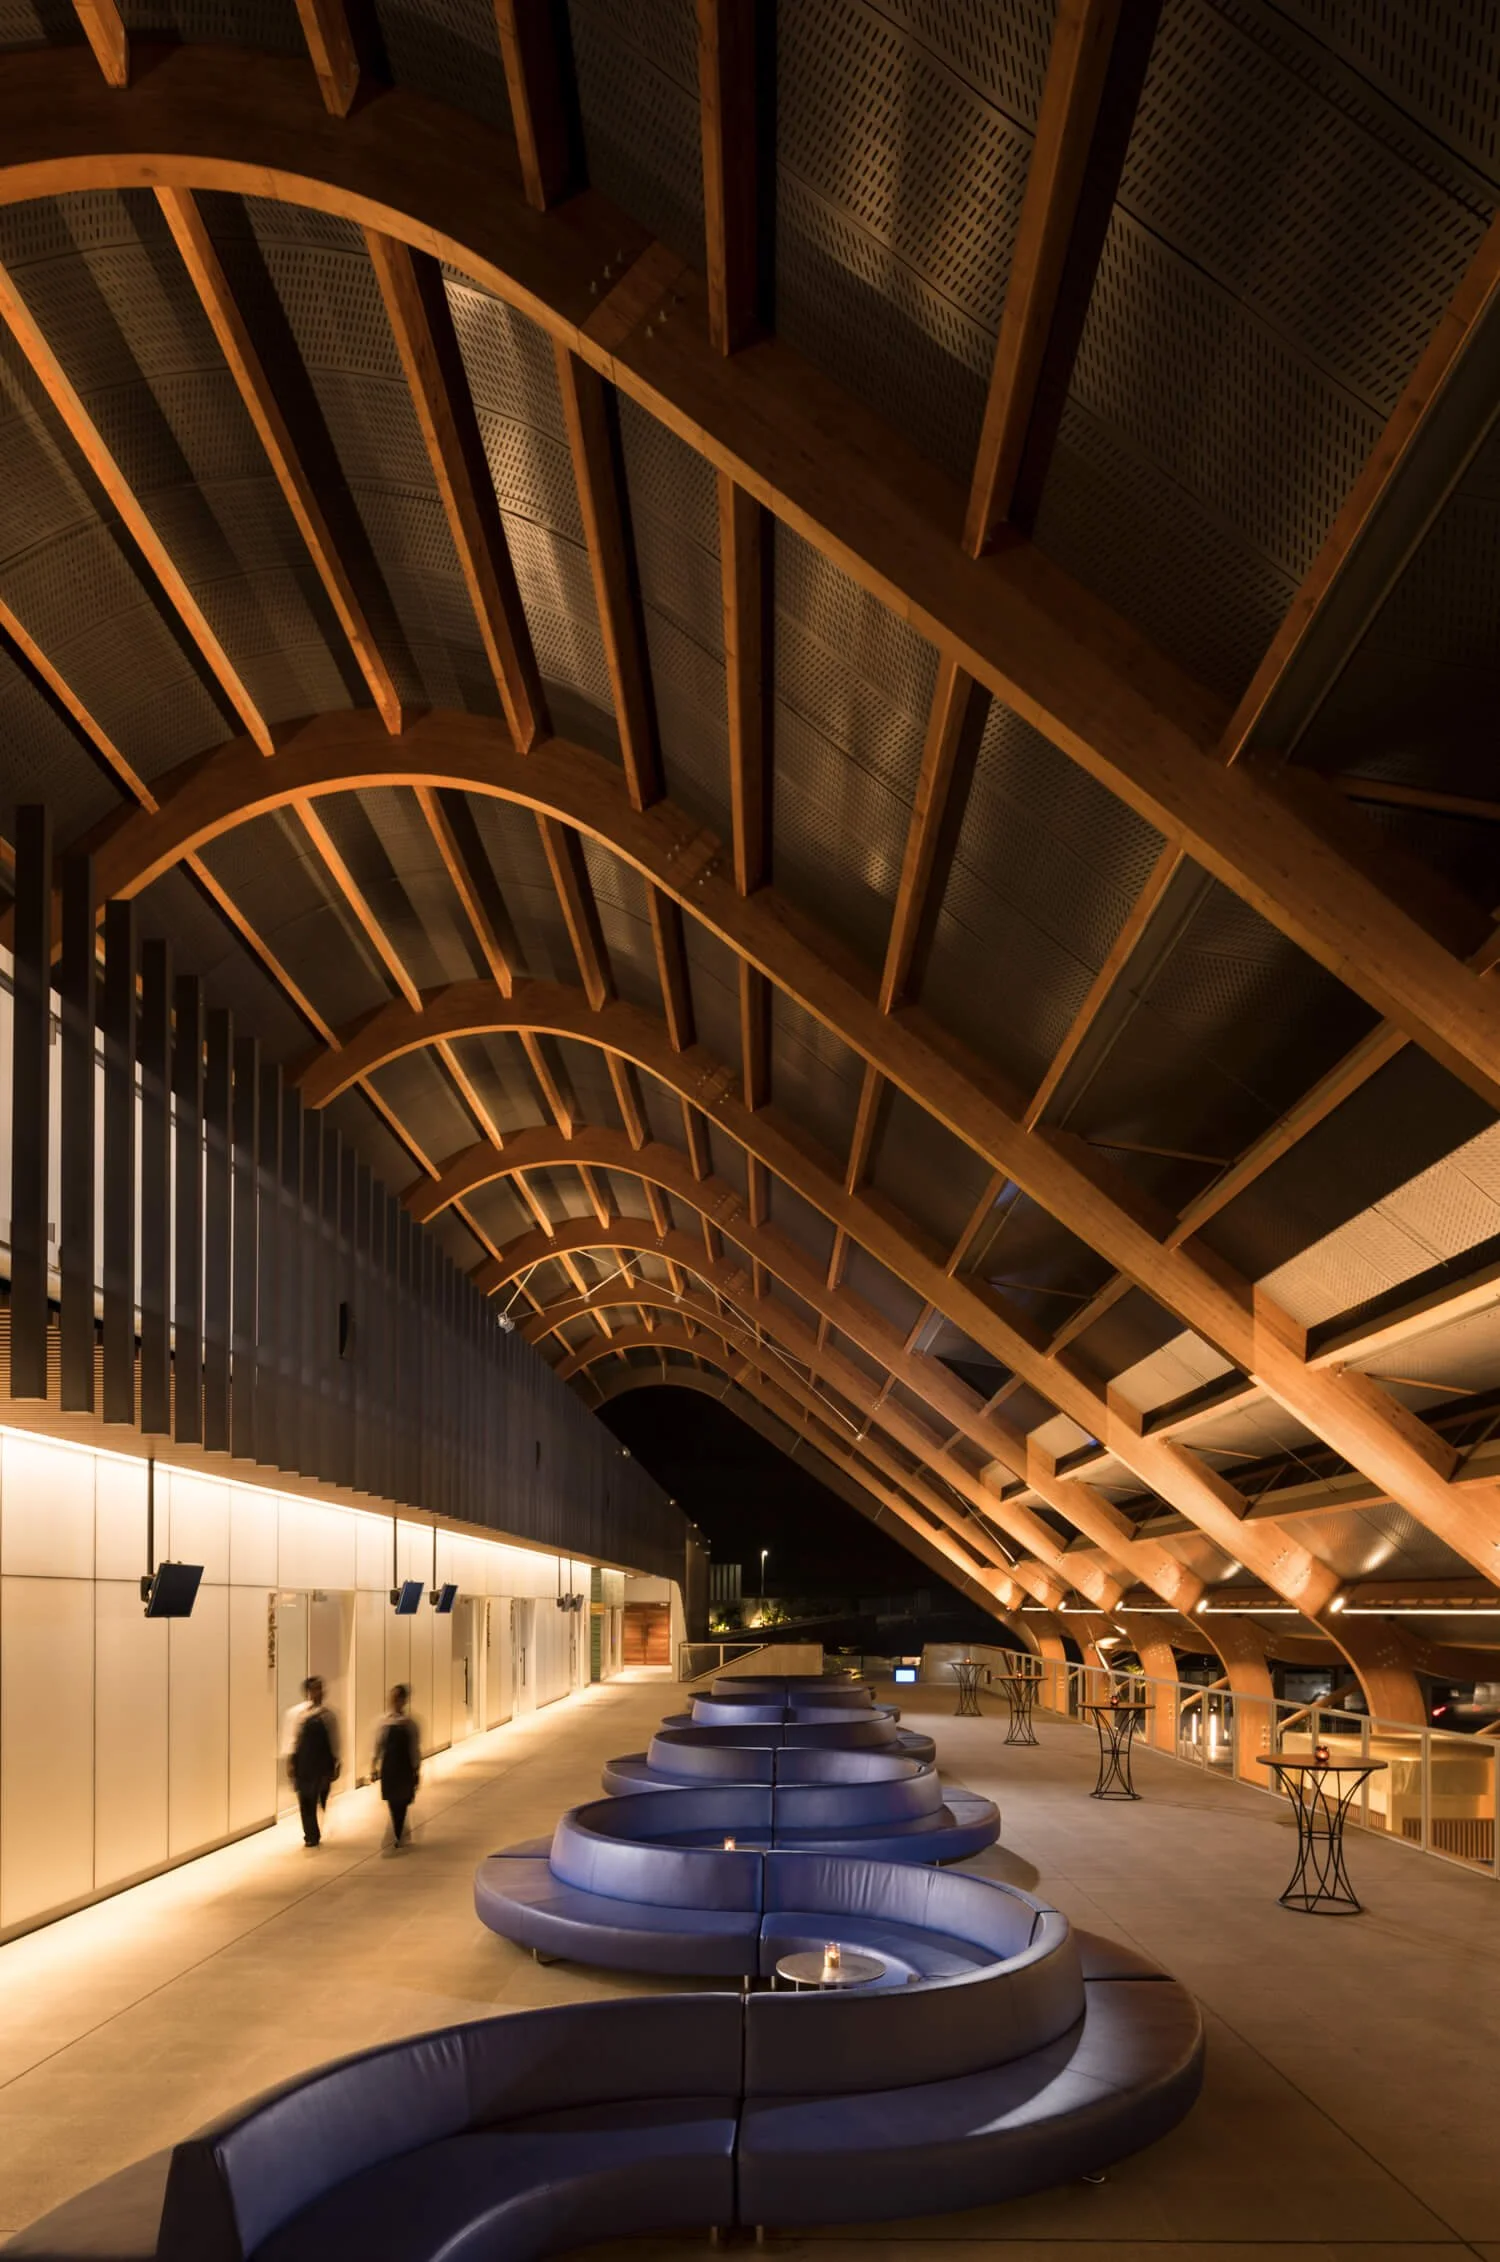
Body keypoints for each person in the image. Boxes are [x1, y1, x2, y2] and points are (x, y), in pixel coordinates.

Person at [283, 1676, 340, 1849]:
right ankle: (310, 1834)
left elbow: (334, 1740)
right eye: (315, 1689)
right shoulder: (297, 1714)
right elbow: (291, 1738)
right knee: (305, 1799)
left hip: (322, 1762)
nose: (319, 1692)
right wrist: (290, 1762)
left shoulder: (329, 1715)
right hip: (303, 1762)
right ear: (308, 1692)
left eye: (321, 1688)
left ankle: (313, 1830)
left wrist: (336, 1761)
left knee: (317, 1796)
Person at [374, 1684, 422, 1852]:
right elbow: (378, 1745)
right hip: (389, 1767)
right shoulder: (384, 1722)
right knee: (392, 1800)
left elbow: (414, 1748)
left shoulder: (410, 1724)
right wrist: (374, 1765)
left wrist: (417, 1769)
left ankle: (398, 1832)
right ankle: (398, 1831)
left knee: (402, 1800)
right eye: (392, 1697)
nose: (394, 1701)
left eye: (397, 1698)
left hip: (405, 1767)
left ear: (403, 1700)